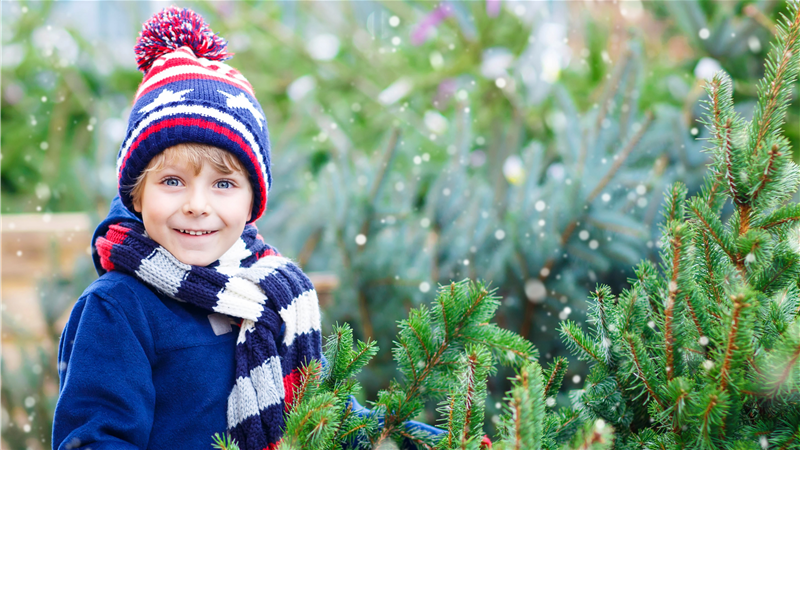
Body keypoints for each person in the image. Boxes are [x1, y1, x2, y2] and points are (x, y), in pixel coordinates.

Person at [52, 7, 322, 451]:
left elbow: (324, 412)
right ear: (136, 196)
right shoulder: (118, 309)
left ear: (253, 201)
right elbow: (95, 453)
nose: (197, 206)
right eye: (172, 181)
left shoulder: (272, 297)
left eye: (223, 184)